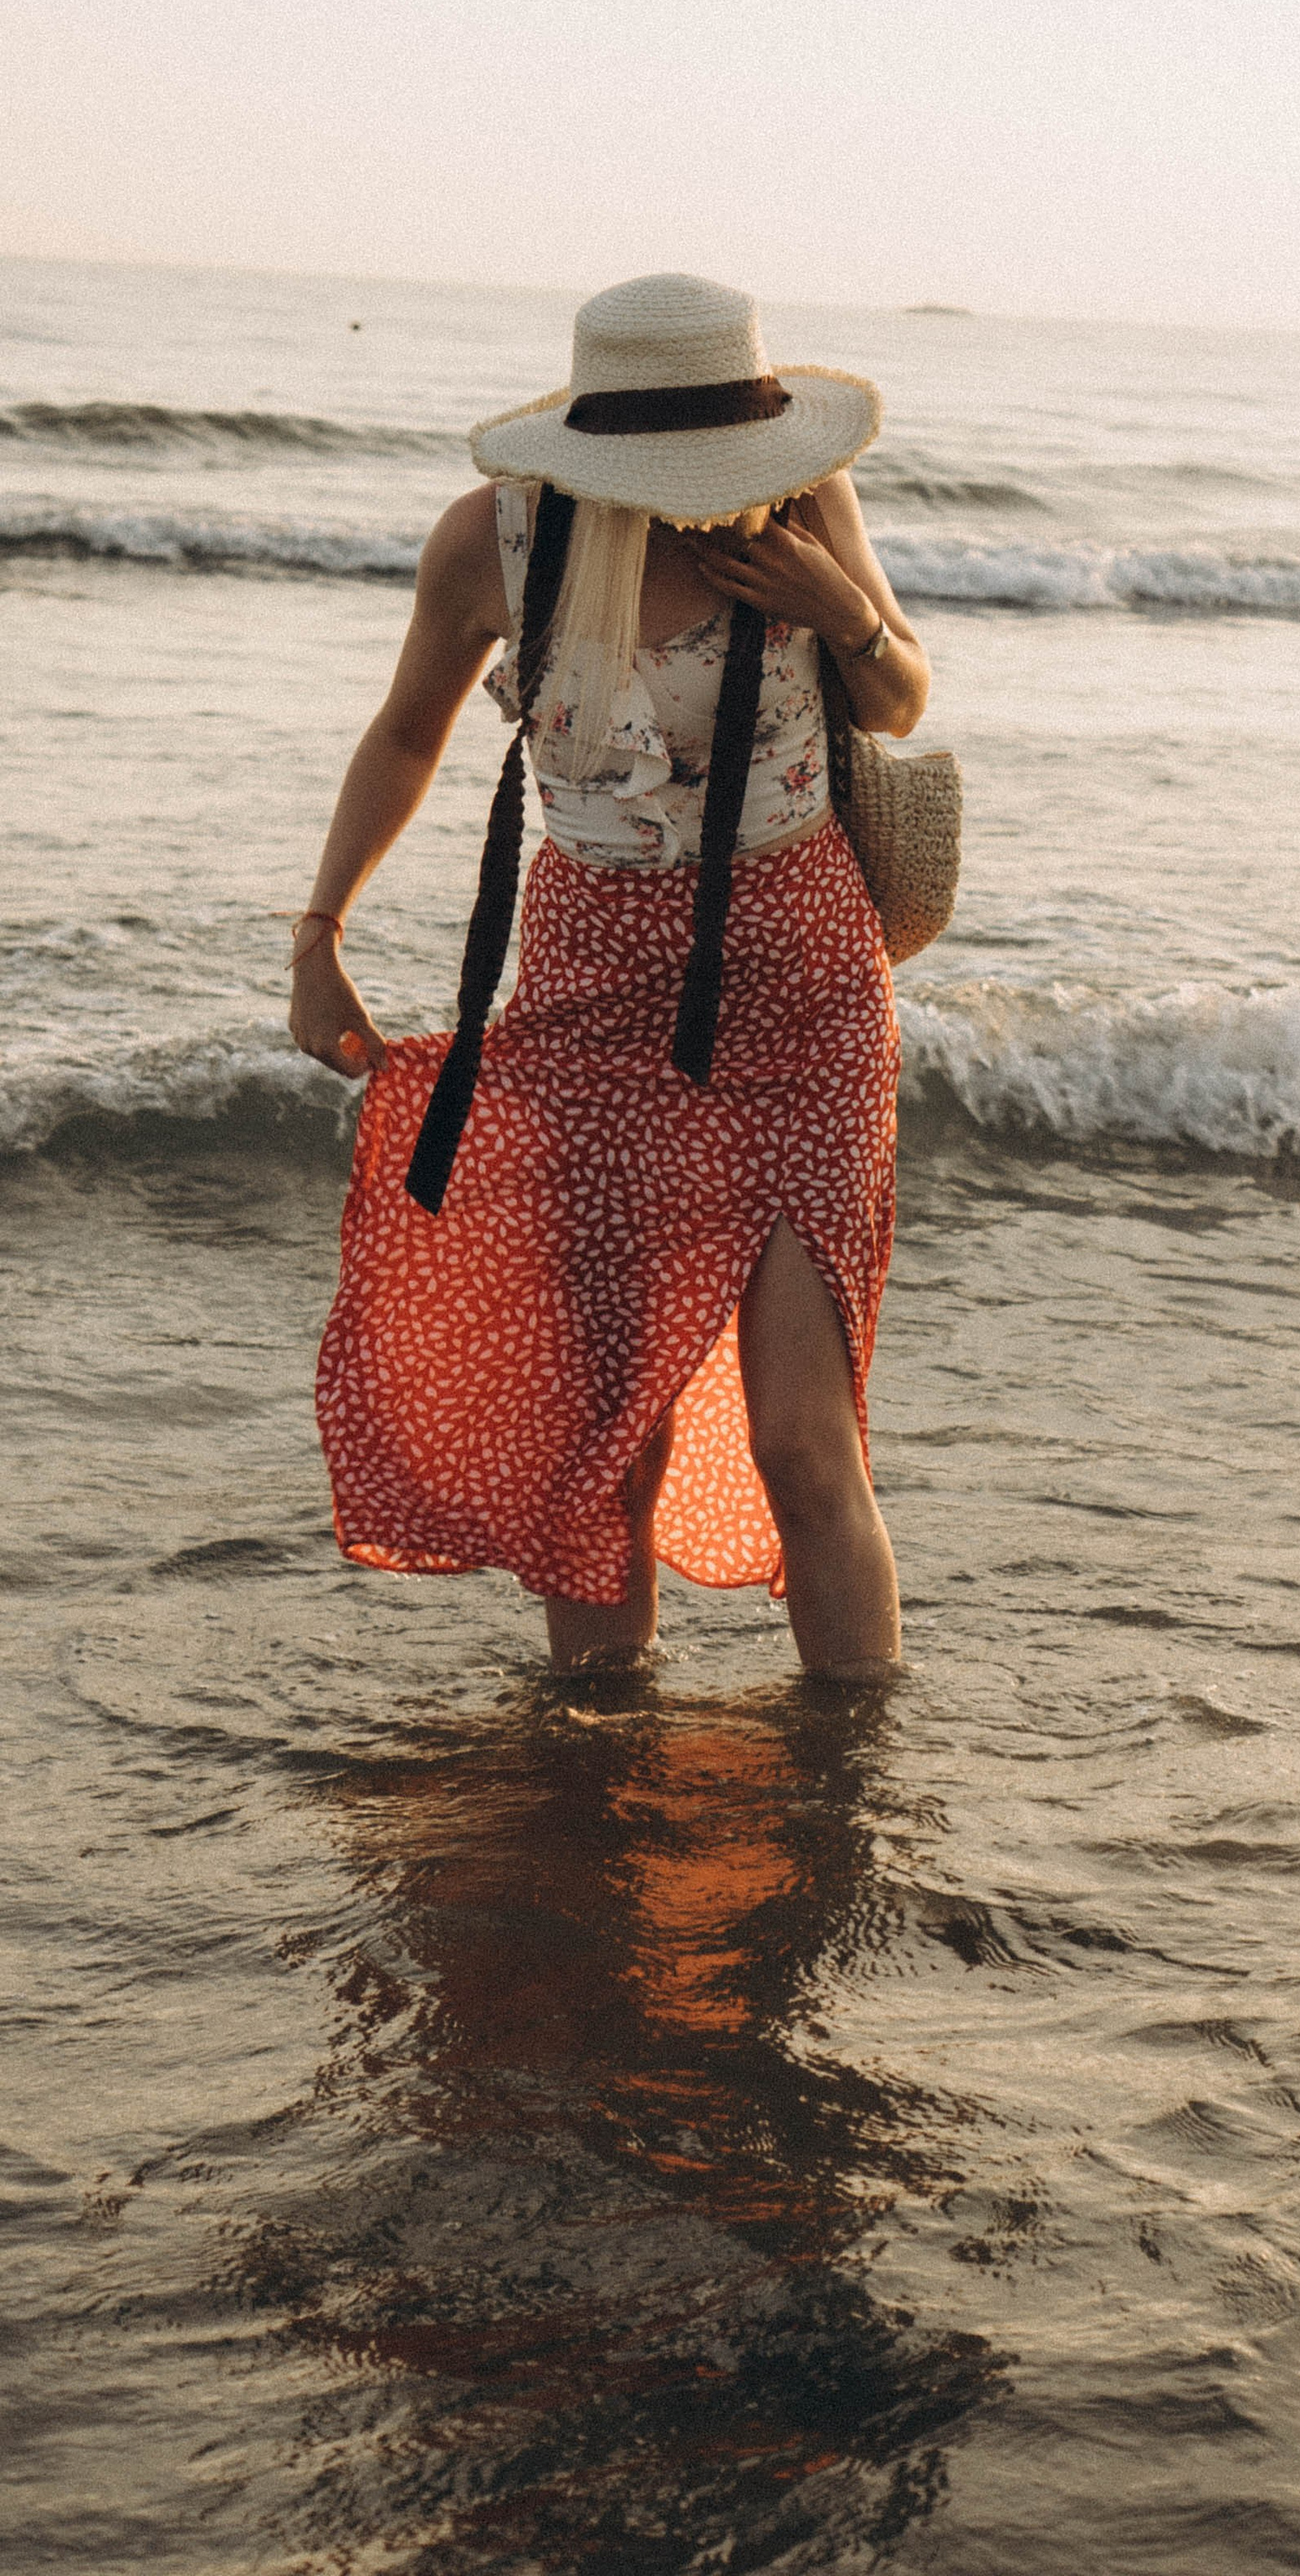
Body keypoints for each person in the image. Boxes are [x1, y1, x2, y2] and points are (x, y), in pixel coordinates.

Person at [289, 274, 929, 1679]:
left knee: (804, 1444)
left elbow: (901, 701)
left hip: (808, 1002)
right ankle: (592, 1771)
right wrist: (319, 932)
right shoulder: (497, 545)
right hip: (588, 1007)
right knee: (600, 1439)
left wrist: (843, 612)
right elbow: (406, 735)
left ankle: (853, 1809)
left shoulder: (805, 513)